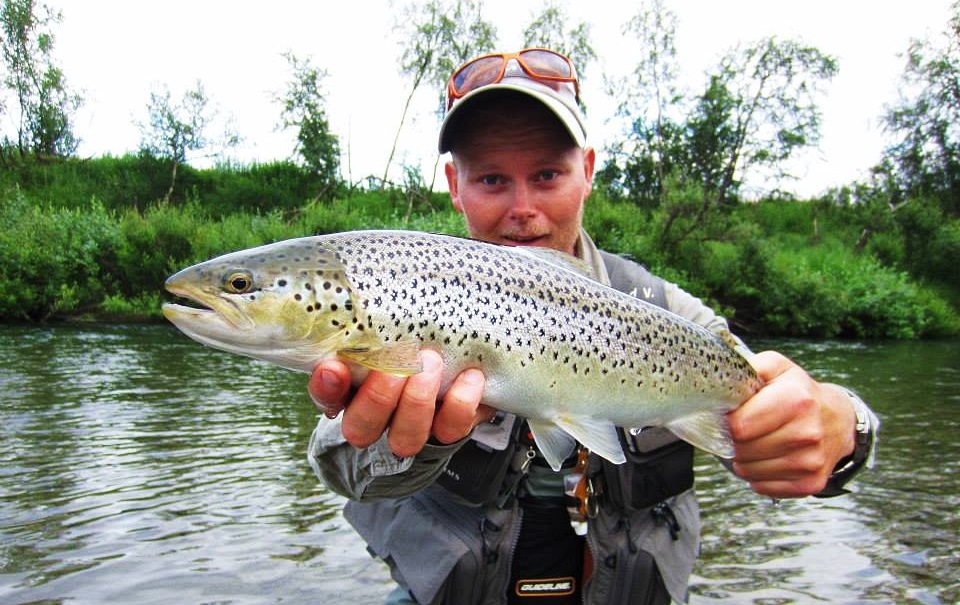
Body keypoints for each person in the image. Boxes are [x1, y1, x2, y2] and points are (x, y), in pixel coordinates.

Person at [306, 48, 879, 605]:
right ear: (455, 185)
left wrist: (841, 428)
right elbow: (341, 467)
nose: (522, 207)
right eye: (491, 181)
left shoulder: (666, 312)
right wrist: (398, 441)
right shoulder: (405, 292)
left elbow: (790, 419)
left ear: (588, 171)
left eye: (548, 174)